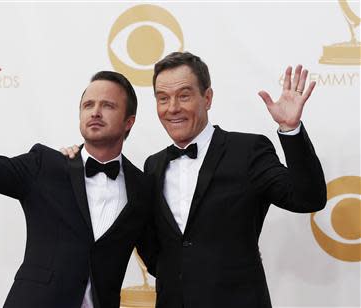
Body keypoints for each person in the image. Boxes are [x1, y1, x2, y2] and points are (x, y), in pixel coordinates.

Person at [62, 52, 326, 308]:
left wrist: (290, 130)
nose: (172, 107)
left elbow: (308, 198)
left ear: (207, 98)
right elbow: (154, 249)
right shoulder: (153, 167)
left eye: (184, 96)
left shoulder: (247, 150)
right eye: (163, 98)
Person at [0, 36, 153, 308]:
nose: (95, 112)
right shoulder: (45, 165)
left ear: (129, 122)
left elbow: (162, 258)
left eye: (108, 106)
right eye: (88, 105)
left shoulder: (143, 187)